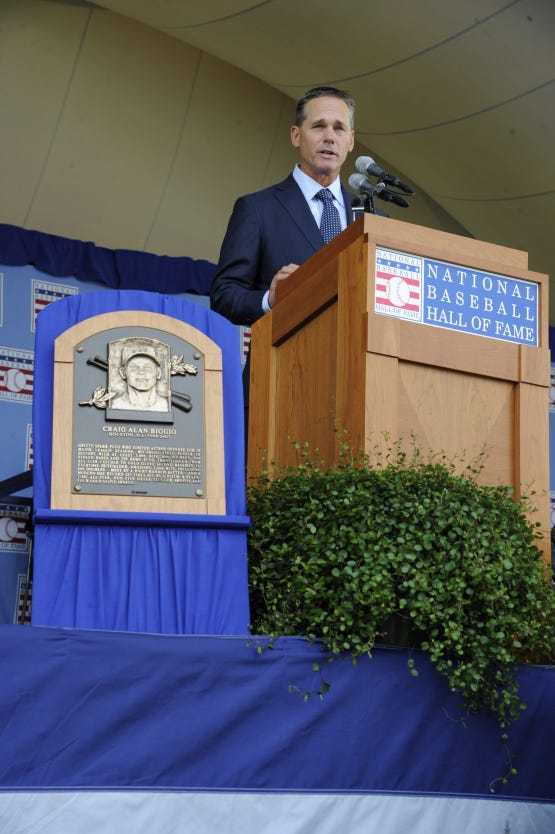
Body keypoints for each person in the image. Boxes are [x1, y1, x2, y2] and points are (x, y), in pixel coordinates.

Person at [210, 86, 358, 422]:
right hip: (278, 389)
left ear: (351, 141)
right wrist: (270, 300)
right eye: (318, 126)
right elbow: (223, 295)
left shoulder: (372, 220)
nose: (329, 137)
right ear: (296, 135)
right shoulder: (257, 208)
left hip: (352, 391)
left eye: (339, 128)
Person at [111, 344, 169, 412]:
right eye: (134, 367)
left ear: (158, 373)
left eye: (147, 367)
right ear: (123, 373)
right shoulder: (115, 405)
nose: (141, 372)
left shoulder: (166, 406)